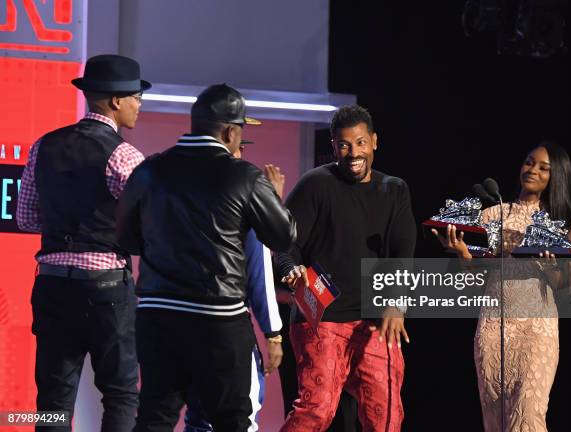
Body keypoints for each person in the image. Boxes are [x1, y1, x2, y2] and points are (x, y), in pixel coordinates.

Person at [116, 83, 296, 431]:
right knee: (230, 420)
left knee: (155, 417)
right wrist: (274, 197)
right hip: (218, 320)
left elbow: (124, 235)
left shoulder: (152, 169)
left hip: (158, 314)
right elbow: (283, 236)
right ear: (230, 131)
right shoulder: (244, 176)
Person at [16, 54, 150, 431]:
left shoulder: (44, 145)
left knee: (53, 400)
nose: (139, 105)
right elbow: (145, 228)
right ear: (115, 101)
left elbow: (26, 219)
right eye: (136, 97)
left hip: (52, 284)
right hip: (106, 288)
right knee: (121, 392)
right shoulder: (124, 156)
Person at [276, 104, 416, 431]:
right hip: (323, 317)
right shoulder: (315, 185)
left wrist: (396, 303)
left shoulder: (394, 190)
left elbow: (402, 253)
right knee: (318, 410)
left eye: (361, 143)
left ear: (375, 142)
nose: (353, 152)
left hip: (375, 319)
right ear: (333, 146)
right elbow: (285, 243)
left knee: (387, 417)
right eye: (344, 145)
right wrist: (291, 268)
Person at [433, 141, 571, 431]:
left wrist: (552, 270)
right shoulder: (492, 216)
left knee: (527, 417)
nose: (533, 170)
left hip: (536, 331)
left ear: (557, 177)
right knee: (495, 420)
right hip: (493, 328)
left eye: (543, 168)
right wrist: (464, 255)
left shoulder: (562, 223)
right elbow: (476, 278)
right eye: (529, 162)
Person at [183, 142, 286, 432]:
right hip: (226, 326)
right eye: (237, 145)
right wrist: (273, 334)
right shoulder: (246, 194)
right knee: (243, 417)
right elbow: (259, 274)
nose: (240, 154)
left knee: (197, 419)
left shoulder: (181, 190)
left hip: (174, 323)